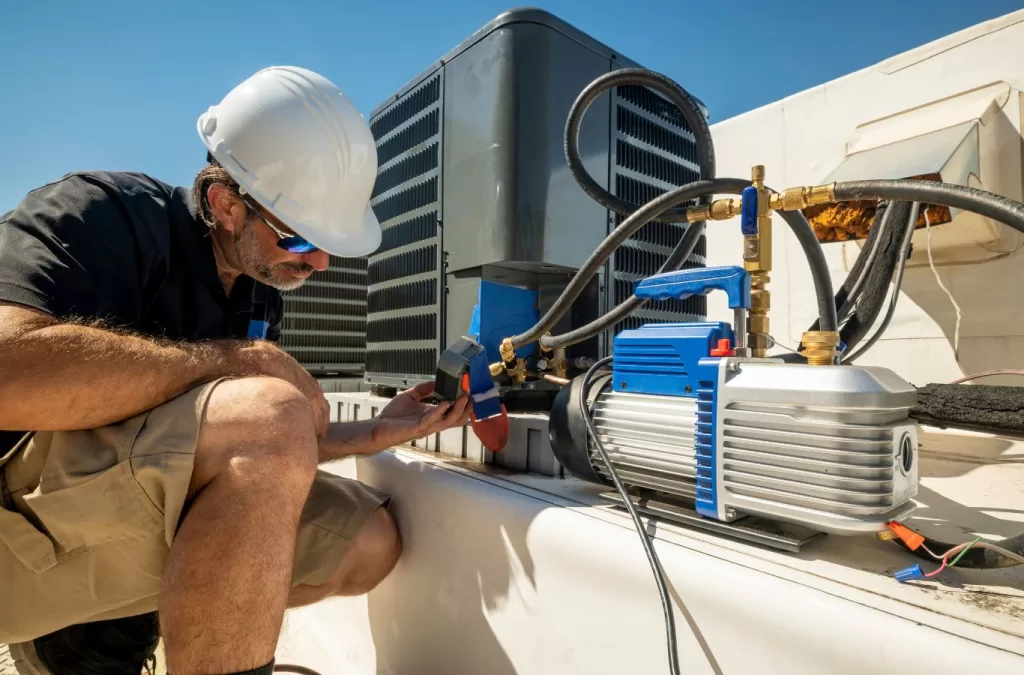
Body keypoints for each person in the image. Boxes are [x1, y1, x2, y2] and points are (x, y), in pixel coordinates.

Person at [0, 66, 469, 675]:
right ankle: (72, 635)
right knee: (268, 408)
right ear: (225, 205)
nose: (321, 262)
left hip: (119, 528)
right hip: (20, 531)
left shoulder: (256, 293)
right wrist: (237, 360)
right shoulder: (105, 217)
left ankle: (146, 625)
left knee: (368, 542)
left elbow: (252, 451)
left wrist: (378, 433)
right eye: (301, 241)